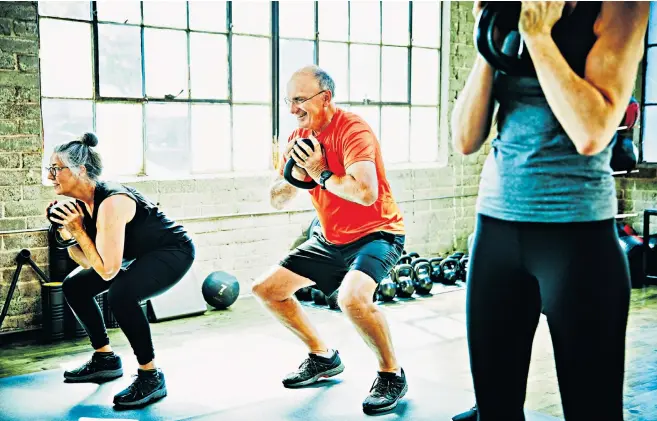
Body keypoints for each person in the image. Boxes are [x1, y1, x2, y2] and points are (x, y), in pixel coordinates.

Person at [451, 2, 649, 421]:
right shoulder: (511, 8)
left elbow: (593, 132)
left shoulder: (621, 6)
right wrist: (489, 35)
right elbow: (466, 138)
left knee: (592, 410)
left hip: (577, 237)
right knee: (495, 409)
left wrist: (538, 37)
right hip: (496, 232)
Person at [252, 65, 407, 415]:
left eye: (299, 101)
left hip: (377, 234)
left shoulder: (353, 130)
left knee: (352, 300)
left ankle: (391, 374)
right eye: (288, 102)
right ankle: (323, 357)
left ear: (326, 98)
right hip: (330, 239)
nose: (292, 110)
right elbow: (278, 198)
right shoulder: (297, 140)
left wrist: (321, 172)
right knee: (267, 289)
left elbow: (366, 193)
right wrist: (292, 176)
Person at [46, 132, 196, 408]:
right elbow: (89, 263)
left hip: (172, 251)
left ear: (80, 170)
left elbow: (107, 271)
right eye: (50, 169)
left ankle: (151, 375)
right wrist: (69, 234)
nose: (50, 176)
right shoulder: (81, 204)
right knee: (74, 285)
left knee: (121, 295)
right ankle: (105, 359)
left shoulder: (112, 201)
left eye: (56, 168)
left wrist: (78, 230)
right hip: (136, 255)